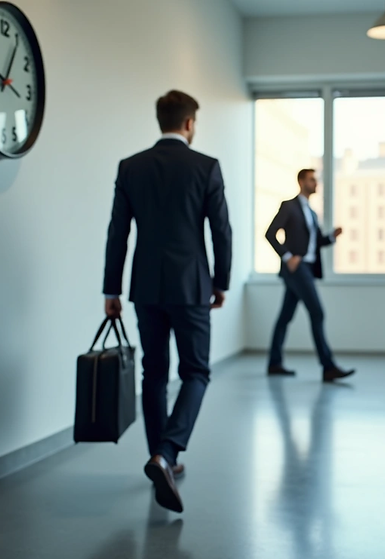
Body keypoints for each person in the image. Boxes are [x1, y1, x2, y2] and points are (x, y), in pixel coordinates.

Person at [103, 90, 232, 513]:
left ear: (162, 120)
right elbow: (221, 232)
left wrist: (112, 290)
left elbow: (117, 232)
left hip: (145, 287)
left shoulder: (131, 167)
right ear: (190, 123)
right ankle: (168, 453)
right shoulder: (206, 167)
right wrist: (221, 281)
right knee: (195, 371)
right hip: (192, 285)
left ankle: (159, 456)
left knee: (153, 372)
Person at [265, 169, 355, 382]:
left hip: (308, 268)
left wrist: (331, 237)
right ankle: (328, 366)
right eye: (312, 179)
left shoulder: (312, 213)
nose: (316, 183)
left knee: (285, 317)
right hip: (297, 269)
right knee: (317, 312)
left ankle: (274, 363)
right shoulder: (289, 206)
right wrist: (288, 256)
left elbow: (315, 243)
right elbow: (270, 233)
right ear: (302, 181)